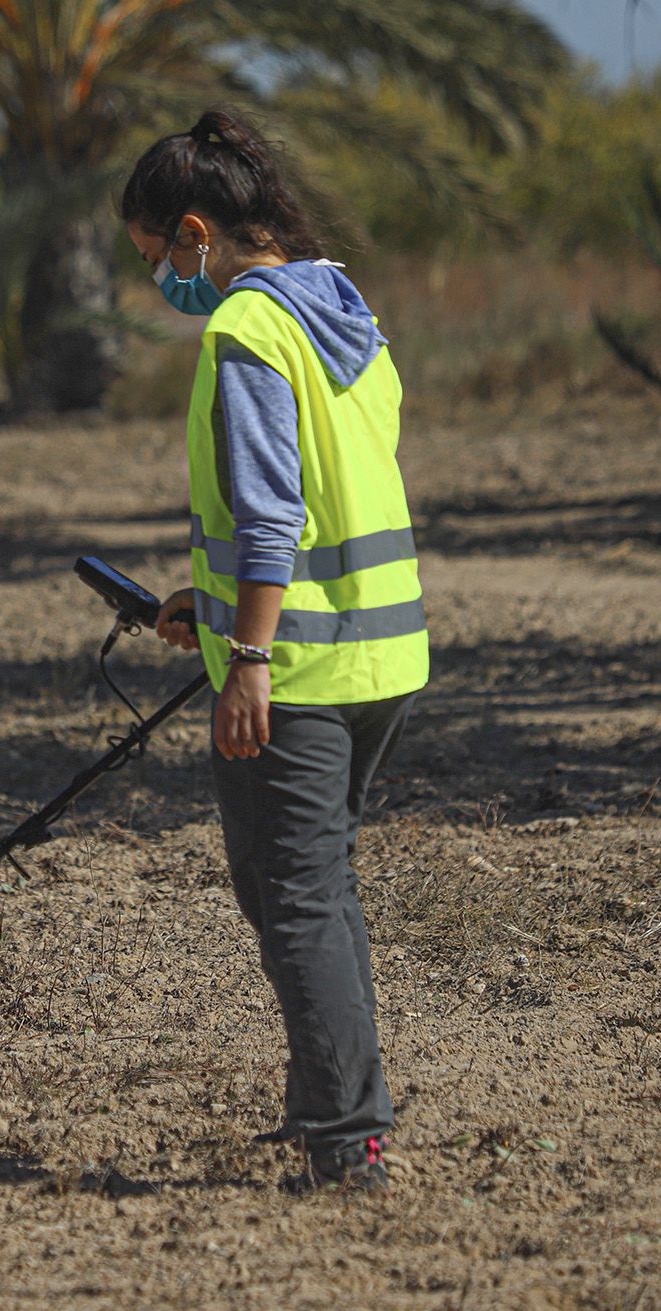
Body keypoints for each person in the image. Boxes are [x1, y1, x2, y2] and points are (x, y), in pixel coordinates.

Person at [119, 109, 430, 1192]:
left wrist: (245, 657)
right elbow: (333, 489)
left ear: (198, 233)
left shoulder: (248, 330)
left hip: (292, 669)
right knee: (303, 884)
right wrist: (201, 609)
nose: (161, 279)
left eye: (157, 257)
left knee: (295, 896)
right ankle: (330, 1105)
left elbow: (270, 514)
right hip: (375, 657)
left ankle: (348, 1142)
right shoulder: (341, 309)